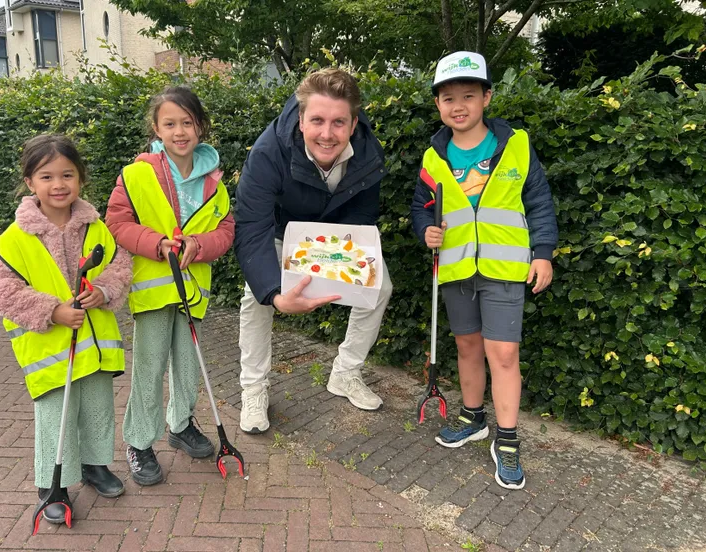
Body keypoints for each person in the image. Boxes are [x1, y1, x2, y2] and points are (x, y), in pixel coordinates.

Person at [411, 51, 558, 490]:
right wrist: (425, 232)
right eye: (448, 97)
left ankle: (507, 441)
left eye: (468, 95)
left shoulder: (515, 146)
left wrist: (543, 252)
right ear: (438, 104)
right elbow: (422, 207)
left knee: (504, 355)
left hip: (505, 270)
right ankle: (473, 418)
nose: (458, 105)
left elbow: (539, 202)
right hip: (456, 270)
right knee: (468, 348)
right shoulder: (433, 156)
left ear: (487, 97)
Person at [234, 68, 393, 434]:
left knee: (379, 287)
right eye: (317, 120)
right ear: (301, 120)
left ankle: (345, 373)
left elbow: (363, 214)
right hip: (279, 229)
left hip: (334, 232)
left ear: (353, 124)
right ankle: (253, 389)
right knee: (254, 297)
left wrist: (333, 258)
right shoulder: (267, 151)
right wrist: (274, 294)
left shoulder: (369, 151)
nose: (327, 133)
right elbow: (252, 225)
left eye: (338, 122)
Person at [0, 134, 132, 523]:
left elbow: (120, 266)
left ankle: (95, 464)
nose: (58, 184)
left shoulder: (97, 228)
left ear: (81, 178)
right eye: (46, 176)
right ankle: (53, 484)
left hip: (96, 346)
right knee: (56, 417)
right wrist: (51, 311)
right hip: (49, 351)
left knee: (98, 409)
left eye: (67, 174)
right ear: (30, 182)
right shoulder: (15, 239)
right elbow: (1, 290)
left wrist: (103, 291)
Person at [106, 86, 234, 486]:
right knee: (150, 366)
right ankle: (139, 442)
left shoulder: (214, 181)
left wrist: (199, 245)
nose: (180, 131)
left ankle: (180, 424)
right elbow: (117, 223)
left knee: (186, 362)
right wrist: (156, 244)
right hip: (155, 290)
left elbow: (227, 230)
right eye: (170, 124)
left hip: (192, 290)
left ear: (200, 126)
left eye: (188, 122)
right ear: (156, 129)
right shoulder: (137, 173)